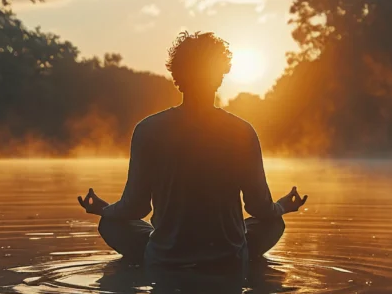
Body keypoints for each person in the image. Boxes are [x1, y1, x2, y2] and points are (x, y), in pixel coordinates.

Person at [77, 31, 307, 266]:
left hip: (165, 258)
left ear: (177, 77)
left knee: (110, 223)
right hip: (228, 258)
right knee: (274, 222)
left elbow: (135, 207)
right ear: (220, 76)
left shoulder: (148, 130)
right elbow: (260, 208)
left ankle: (159, 253)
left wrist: (104, 210)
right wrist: (283, 206)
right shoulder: (242, 132)